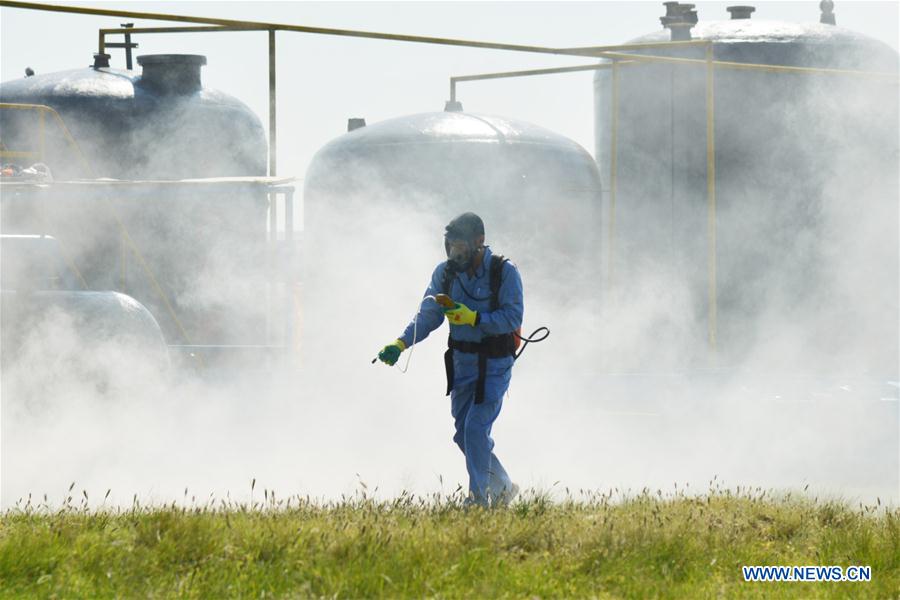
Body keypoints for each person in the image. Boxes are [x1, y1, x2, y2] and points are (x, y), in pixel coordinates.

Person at [377, 212, 523, 507]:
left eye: (461, 247)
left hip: (494, 365)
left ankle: (479, 500)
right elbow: (428, 315)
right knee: (463, 435)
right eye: (450, 246)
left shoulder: (504, 273)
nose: (454, 254)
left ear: (479, 242)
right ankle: (504, 485)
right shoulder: (444, 274)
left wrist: (475, 318)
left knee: (475, 428)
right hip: (461, 365)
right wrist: (401, 342)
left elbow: (512, 317)